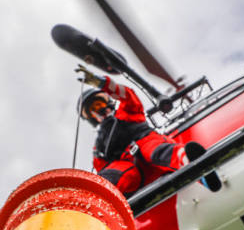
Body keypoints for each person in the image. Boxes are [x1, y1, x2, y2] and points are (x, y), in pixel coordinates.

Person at [76, 64, 186, 197]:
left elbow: (127, 95)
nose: (100, 109)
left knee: (153, 149)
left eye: (100, 103)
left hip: (147, 149)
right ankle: (96, 200)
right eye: (94, 109)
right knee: (112, 175)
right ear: (91, 117)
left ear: (108, 102)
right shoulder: (99, 147)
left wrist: (101, 83)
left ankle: (186, 158)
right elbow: (102, 166)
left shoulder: (125, 113)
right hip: (133, 173)